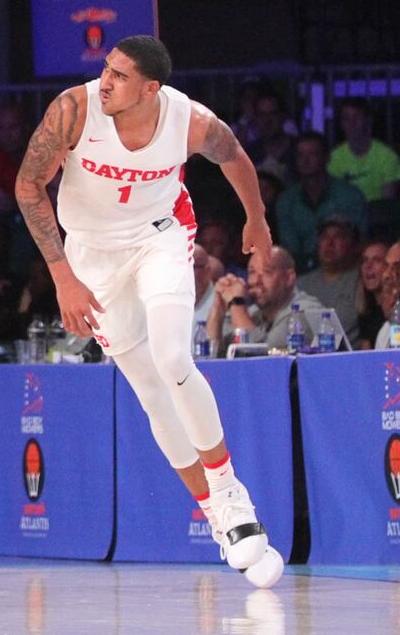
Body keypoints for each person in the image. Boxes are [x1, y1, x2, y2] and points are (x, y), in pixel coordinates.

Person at [15, 36, 283, 588]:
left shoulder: (190, 121)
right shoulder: (73, 109)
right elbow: (27, 186)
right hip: (90, 254)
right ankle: (211, 510)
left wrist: (255, 218)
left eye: (119, 76)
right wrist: (63, 276)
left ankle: (230, 491)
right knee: (148, 389)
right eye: (105, 70)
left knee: (172, 357)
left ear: (151, 89)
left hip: (160, 235)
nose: (105, 82)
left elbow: (234, 156)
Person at [274, 132, 367, 271]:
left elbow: (359, 241)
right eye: (300, 155)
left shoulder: (350, 195)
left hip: (345, 269)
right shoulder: (286, 201)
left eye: (313, 154)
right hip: (300, 273)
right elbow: (290, 250)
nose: (306, 160)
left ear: (326, 157)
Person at [208, 246, 328, 351]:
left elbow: (267, 358)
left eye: (267, 273)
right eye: (252, 272)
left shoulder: (305, 311)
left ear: (289, 278)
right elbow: (214, 353)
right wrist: (217, 311)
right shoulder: (253, 313)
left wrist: (236, 303)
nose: (256, 281)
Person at [296, 214, 362, 337]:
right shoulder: (301, 284)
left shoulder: (361, 281)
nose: (330, 243)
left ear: (353, 244)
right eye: (325, 237)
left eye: (339, 237)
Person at [329, 97, 400, 203]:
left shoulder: (387, 157)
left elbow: (388, 205)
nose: (351, 123)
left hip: (378, 217)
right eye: (346, 118)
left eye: (356, 117)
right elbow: (334, 200)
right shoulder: (333, 158)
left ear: (368, 120)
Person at [242, 91, 295, 185]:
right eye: (262, 115)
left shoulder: (298, 150)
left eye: (273, 114)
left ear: (283, 116)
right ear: (255, 119)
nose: (267, 121)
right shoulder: (249, 154)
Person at [353, 240, 391, 348]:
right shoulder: (366, 312)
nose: (368, 266)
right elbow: (366, 354)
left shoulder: (398, 308)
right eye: (364, 261)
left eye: (377, 260)